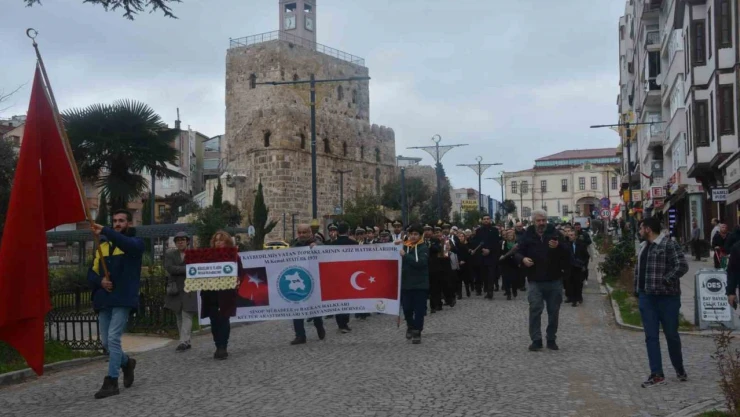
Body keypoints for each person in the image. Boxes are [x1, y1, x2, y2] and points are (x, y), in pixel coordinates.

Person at [87, 209, 144, 399]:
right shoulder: (102, 246)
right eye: (115, 221)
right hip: (105, 299)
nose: (117, 223)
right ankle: (127, 363)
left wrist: (106, 231)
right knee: (106, 342)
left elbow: (126, 243)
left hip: (123, 298)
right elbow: (91, 273)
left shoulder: (135, 243)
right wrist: (100, 281)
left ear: (129, 223)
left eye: (121, 220)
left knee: (113, 338)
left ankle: (111, 381)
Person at [634, 217, 689, 388]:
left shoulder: (668, 244)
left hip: (667, 298)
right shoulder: (643, 247)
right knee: (651, 336)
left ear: (648, 229)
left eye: (641, 228)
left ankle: (679, 368)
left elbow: (682, 266)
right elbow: (639, 271)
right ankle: (657, 374)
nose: (639, 231)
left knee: (671, 335)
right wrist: (637, 290)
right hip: (646, 297)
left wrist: (666, 280)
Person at [514, 209, 570, 352]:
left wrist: (558, 246)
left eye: (543, 220)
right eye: (538, 220)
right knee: (535, 309)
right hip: (535, 280)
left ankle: (551, 338)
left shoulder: (555, 233)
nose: (541, 223)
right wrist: (523, 259)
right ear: (533, 221)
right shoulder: (527, 235)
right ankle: (536, 339)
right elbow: (517, 252)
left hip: (554, 279)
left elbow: (568, 251)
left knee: (554, 311)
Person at [200, 230, 240, 360]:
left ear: (227, 242)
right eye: (216, 240)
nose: (218, 242)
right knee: (214, 321)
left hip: (226, 293)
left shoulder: (233, 255)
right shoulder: (207, 255)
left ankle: (223, 347)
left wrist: (237, 280)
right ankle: (218, 345)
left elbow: (240, 271)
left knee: (223, 319)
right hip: (210, 293)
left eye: (221, 240)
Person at [290, 224, 326, 345]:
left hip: (313, 281)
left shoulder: (317, 243)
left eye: (304, 232)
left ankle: (319, 326)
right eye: (299, 232)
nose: (302, 235)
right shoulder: (294, 245)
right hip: (298, 280)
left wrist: (317, 247)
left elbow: (326, 252)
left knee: (314, 308)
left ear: (310, 233)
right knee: (297, 308)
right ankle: (300, 335)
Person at [164, 231, 198, 352]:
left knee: (187, 314)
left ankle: (183, 341)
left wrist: (181, 270)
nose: (180, 242)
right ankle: (186, 341)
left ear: (187, 241)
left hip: (190, 287)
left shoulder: (194, 254)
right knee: (178, 314)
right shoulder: (170, 254)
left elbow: (196, 268)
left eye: (182, 240)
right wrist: (187, 269)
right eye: (178, 241)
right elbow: (170, 268)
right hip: (176, 289)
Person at [399, 224, 429, 344]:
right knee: (406, 309)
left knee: (419, 310)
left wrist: (405, 256)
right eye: (411, 234)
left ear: (420, 236)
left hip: (420, 285)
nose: (413, 236)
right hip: (406, 284)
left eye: (416, 234)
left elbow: (420, 263)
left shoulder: (423, 248)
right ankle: (410, 326)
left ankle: (417, 331)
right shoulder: (404, 246)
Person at [327, 222, 356, 332]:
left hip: (336, 275)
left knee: (338, 300)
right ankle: (345, 322)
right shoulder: (354, 244)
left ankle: (340, 324)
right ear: (348, 231)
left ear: (338, 232)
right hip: (349, 275)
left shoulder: (332, 245)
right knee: (347, 299)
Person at [472, 214, 501, 299]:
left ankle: (490, 291)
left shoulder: (494, 230)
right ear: (482, 220)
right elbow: (477, 242)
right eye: (484, 219)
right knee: (484, 274)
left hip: (491, 255)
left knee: (491, 274)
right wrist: (482, 250)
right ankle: (487, 289)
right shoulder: (479, 231)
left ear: (490, 220)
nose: (486, 220)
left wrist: (489, 250)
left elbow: (496, 242)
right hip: (482, 255)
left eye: (487, 219)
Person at [566, 229, 590, 307]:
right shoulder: (567, 245)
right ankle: (573, 299)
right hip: (570, 267)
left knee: (578, 283)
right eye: (569, 235)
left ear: (576, 236)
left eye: (572, 235)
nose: (570, 236)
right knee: (571, 283)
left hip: (579, 267)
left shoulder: (581, 245)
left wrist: (584, 265)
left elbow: (586, 256)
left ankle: (578, 297)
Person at [499, 229, 519, 300]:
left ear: (514, 236)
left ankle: (514, 290)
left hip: (514, 262)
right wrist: (501, 255)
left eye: (511, 235)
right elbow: (500, 251)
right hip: (505, 262)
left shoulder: (516, 242)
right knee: (506, 278)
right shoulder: (503, 243)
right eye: (508, 235)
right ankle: (508, 293)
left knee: (514, 279)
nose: (510, 236)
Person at [452, 231, 471, 298]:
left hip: (466, 263)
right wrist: (459, 260)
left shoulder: (467, 244)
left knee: (466, 279)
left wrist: (464, 260)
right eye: (459, 236)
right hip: (458, 263)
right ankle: (459, 294)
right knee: (459, 279)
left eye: (462, 236)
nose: (461, 237)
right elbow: (455, 253)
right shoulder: (456, 245)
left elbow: (468, 254)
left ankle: (467, 290)